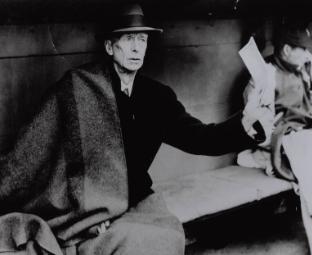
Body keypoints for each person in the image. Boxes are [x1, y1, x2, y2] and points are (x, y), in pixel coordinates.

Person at [0, 4, 265, 255]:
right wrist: (88, 214)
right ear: (109, 46)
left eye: (142, 39)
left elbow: (201, 139)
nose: (137, 48)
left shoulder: (157, 97)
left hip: (133, 200)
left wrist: (244, 122)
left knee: (166, 236)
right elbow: (32, 153)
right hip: (82, 209)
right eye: (128, 39)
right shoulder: (77, 87)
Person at [237, 21, 312, 255]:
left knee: (311, 159)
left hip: (303, 136)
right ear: (287, 50)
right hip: (277, 137)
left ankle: (265, 161)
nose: (308, 55)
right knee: (311, 166)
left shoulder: (303, 70)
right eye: (303, 50)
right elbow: (251, 119)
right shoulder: (265, 73)